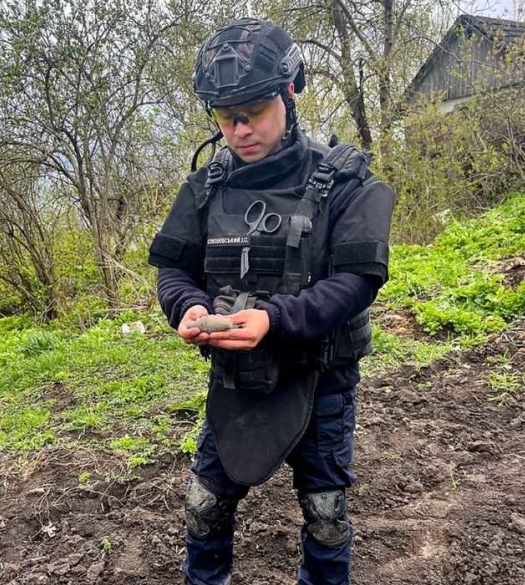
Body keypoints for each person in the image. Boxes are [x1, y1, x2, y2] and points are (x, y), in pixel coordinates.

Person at [147, 18, 396, 585]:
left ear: (288, 93)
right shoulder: (206, 186)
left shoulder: (344, 180)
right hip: (236, 378)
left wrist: (274, 318)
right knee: (203, 508)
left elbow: (357, 280)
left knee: (325, 516)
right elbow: (173, 268)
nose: (238, 130)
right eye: (223, 116)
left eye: (252, 111)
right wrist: (184, 306)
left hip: (321, 378)